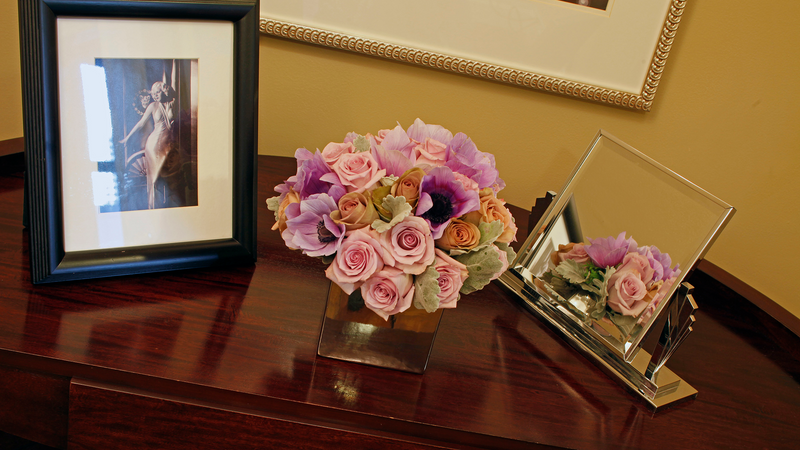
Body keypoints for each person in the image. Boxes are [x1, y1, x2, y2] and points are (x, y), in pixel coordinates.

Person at [120, 60, 177, 209]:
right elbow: (140, 124)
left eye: (158, 92)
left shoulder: (170, 104)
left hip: (167, 143)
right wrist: (127, 138)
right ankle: (153, 207)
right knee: (154, 178)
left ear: (163, 91)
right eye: (154, 94)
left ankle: (165, 207)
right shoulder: (153, 106)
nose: (156, 96)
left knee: (166, 177)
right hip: (154, 143)